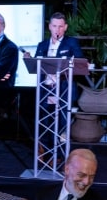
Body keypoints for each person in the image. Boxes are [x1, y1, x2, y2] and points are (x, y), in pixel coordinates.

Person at [24, 12, 84, 160]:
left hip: (63, 90)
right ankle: (46, 153)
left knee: (62, 124)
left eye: (60, 27)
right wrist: (30, 60)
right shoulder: (42, 45)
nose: (57, 30)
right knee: (45, 122)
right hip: (46, 90)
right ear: (50, 26)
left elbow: (80, 62)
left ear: (65, 27)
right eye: (55, 26)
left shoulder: (71, 43)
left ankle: (62, 156)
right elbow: (37, 65)